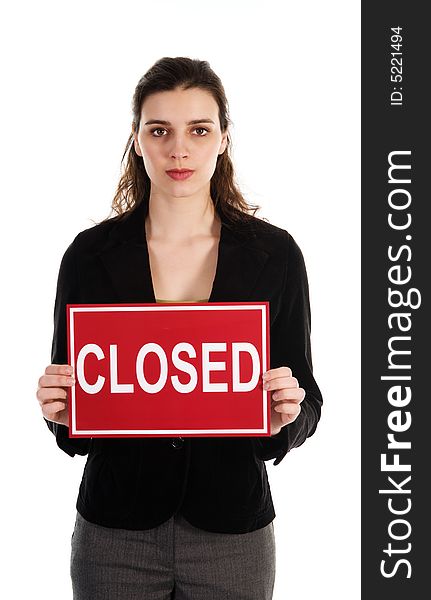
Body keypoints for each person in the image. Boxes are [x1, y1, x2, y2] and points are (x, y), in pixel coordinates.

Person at [36, 56, 323, 600]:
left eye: (198, 129)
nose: (179, 149)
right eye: (159, 130)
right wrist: (60, 410)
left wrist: (287, 411)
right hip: (115, 532)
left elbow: (308, 401)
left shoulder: (274, 254)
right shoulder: (89, 255)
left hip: (232, 530)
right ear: (137, 140)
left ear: (222, 138)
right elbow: (75, 418)